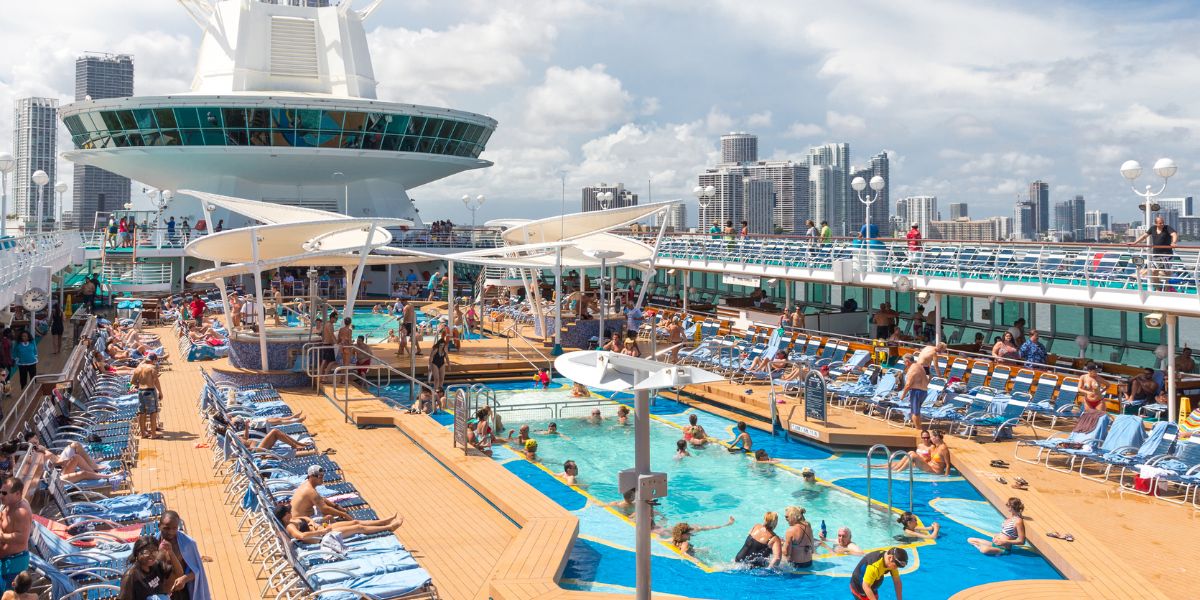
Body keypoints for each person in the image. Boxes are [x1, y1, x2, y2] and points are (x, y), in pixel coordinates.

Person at [275, 504, 400, 544]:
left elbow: (303, 518)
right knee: (358, 528)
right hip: (322, 538)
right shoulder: (290, 526)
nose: (290, 512)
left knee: (354, 522)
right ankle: (389, 527)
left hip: (322, 530)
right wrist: (320, 531)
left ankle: (384, 521)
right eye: (288, 511)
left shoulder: (291, 519)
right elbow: (301, 536)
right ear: (285, 516)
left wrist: (312, 522)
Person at [157, 510, 210, 600]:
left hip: (180, 593)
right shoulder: (152, 543)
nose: (170, 532)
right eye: (166, 528)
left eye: (174, 528)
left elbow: (197, 571)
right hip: (158, 593)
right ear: (159, 526)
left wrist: (184, 579)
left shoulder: (188, 544)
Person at [1131, 214, 1179, 290]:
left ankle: (1167, 289)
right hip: (1156, 255)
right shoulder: (1153, 228)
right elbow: (1144, 236)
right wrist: (1135, 243)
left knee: (1167, 272)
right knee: (1154, 272)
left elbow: (1174, 234)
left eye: (1163, 222)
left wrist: (1174, 242)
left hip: (1167, 255)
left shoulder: (1167, 228)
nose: (1162, 224)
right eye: (1160, 223)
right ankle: (1158, 288)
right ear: (1156, 223)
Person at [0, 477, 31, 593]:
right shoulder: (8, 505)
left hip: (14, 564)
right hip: (6, 563)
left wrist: (1, 536)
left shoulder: (20, 511)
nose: (1, 496)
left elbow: (22, 538)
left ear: (17, 494)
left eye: (4, 493)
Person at [119, 536, 173, 600]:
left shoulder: (156, 566)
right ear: (137, 553)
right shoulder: (130, 576)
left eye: (154, 552)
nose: (151, 556)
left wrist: (171, 552)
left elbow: (178, 573)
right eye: (146, 552)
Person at [131, 355, 163, 439]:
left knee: (142, 412)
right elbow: (156, 381)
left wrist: (141, 383)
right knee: (153, 413)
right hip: (150, 391)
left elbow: (132, 381)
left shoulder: (138, 368)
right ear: (153, 361)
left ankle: (143, 434)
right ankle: (153, 434)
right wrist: (160, 392)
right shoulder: (152, 367)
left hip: (141, 392)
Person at [669, 516, 735, 555]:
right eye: (688, 534)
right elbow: (683, 554)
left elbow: (664, 540)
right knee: (707, 550)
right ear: (683, 535)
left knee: (705, 549)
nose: (690, 535)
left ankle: (727, 524)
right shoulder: (685, 544)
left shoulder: (673, 538)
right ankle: (727, 524)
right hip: (692, 551)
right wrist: (696, 561)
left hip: (692, 549)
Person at [901, 349, 930, 431]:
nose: (904, 364)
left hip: (916, 392)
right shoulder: (920, 366)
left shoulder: (912, 369)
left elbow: (907, 385)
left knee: (914, 412)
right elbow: (929, 377)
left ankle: (918, 430)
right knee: (917, 411)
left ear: (907, 361)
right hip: (924, 392)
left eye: (904, 362)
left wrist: (902, 396)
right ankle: (919, 428)